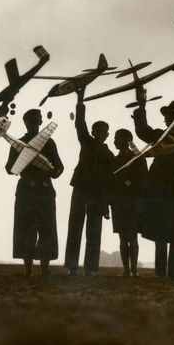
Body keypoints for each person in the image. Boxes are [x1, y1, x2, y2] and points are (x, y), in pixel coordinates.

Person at [133, 98, 174, 278]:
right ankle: (160, 272)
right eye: (166, 116)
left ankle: (172, 273)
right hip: (158, 191)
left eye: (170, 116)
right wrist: (141, 106)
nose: (166, 119)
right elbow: (142, 130)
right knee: (159, 232)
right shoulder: (159, 135)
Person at [6, 109, 63, 276]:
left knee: (47, 229)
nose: (33, 123)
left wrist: (53, 172)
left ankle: (44, 269)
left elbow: (59, 166)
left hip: (44, 189)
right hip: (27, 190)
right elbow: (9, 167)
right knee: (26, 229)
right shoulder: (18, 143)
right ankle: (28, 270)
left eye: (36, 120)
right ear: (25, 122)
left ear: (40, 122)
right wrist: (20, 166)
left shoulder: (49, 143)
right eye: (30, 120)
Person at [64, 88, 113, 276]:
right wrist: (80, 99)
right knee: (75, 227)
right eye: (98, 130)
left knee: (94, 230)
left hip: (97, 194)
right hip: (81, 187)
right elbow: (79, 123)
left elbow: (109, 180)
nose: (101, 133)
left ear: (107, 134)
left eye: (104, 131)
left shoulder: (109, 155)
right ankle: (72, 267)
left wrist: (106, 204)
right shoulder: (86, 141)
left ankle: (90, 268)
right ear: (93, 132)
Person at [110, 128, 146, 277]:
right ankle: (126, 270)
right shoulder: (114, 160)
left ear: (126, 140)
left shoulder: (138, 157)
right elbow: (110, 182)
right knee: (123, 238)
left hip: (133, 202)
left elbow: (144, 177)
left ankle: (134, 269)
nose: (115, 140)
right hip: (118, 203)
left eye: (118, 137)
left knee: (132, 237)